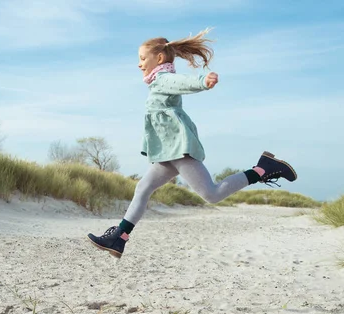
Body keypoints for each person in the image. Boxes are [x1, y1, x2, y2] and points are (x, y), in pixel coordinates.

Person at [87, 28, 297, 258]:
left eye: (142, 58)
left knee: (212, 194)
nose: (139, 64)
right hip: (168, 153)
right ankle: (119, 237)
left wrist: (202, 81)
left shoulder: (163, 79)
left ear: (158, 59)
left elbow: (182, 82)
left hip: (178, 150)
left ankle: (262, 169)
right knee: (143, 187)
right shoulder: (157, 81)